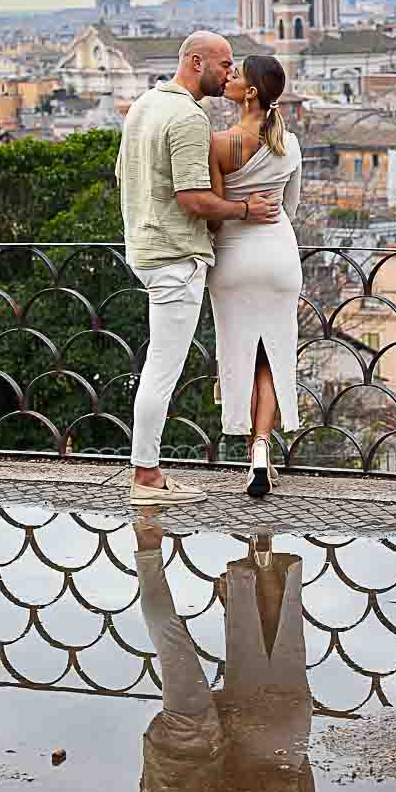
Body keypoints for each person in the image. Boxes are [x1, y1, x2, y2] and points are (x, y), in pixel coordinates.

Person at [116, 32, 280, 507]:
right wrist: (245, 209)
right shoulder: (188, 117)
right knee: (162, 369)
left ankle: (149, 472)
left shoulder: (144, 105)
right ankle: (146, 477)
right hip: (175, 256)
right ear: (195, 61)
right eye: (224, 64)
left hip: (145, 247)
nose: (231, 73)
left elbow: (124, 176)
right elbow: (193, 199)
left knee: (158, 365)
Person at [135, 518, 317, 792]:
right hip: (181, 750)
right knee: (172, 643)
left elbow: (297, 773)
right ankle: (155, 553)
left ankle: (260, 566)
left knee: (276, 643)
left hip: (260, 734)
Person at [207, 55, 303, 498]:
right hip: (280, 255)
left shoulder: (220, 143)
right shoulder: (291, 144)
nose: (228, 78)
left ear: (249, 92)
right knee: (272, 357)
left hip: (235, 257)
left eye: (237, 75)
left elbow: (214, 213)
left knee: (241, 356)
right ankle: (261, 448)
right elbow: (292, 207)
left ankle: (252, 451)